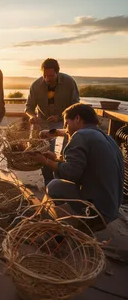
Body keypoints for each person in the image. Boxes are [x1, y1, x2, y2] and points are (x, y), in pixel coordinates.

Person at [32, 103, 124, 227]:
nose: (66, 129)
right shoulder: (107, 138)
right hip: (111, 209)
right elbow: (84, 168)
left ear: (77, 118)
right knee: (60, 183)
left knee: (54, 185)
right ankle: (45, 219)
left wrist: (45, 161)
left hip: (97, 213)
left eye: (66, 124)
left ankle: (50, 227)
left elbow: (71, 173)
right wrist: (56, 159)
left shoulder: (81, 136)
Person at [25, 58, 80, 186]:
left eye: (50, 75)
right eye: (45, 76)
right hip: (42, 120)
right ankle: (49, 181)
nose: (47, 79)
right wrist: (32, 116)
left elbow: (75, 105)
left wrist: (59, 116)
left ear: (57, 73)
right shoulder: (35, 85)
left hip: (65, 120)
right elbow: (28, 107)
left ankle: (64, 178)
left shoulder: (69, 82)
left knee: (68, 149)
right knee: (44, 149)